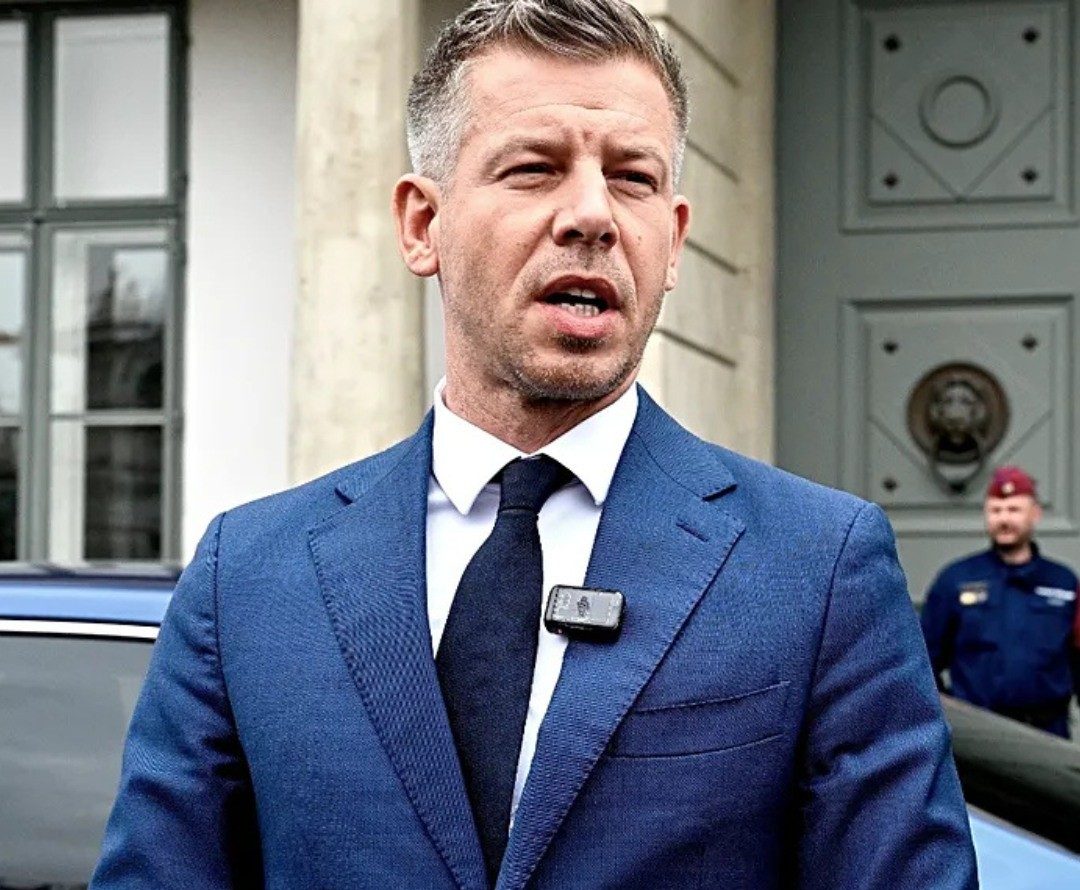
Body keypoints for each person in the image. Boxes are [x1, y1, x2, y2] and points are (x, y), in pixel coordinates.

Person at [92, 2, 976, 887]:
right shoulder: (247, 577)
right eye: (534, 169)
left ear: (673, 241)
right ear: (422, 224)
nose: (592, 214)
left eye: (631, 177)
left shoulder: (818, 568)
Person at [922, 465, 1080, 738]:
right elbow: (924, 661)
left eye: (1014, 510)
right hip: (980, 735)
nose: (1004, 519)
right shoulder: (956, 579)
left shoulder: (1063, 582)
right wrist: (948, 715)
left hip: (1047, 733)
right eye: (996, 510)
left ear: (1035, 513)